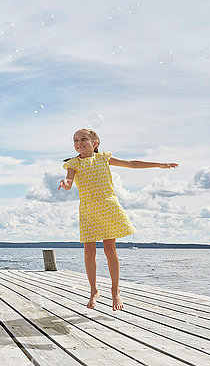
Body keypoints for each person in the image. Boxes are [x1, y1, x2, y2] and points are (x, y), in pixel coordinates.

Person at [58, 128, 178, 311]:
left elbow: (131, 163)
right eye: (75, 140)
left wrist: (159, 164)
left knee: (109, 248)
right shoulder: (73, 163)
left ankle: (115, 291)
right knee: (89, 251)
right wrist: (65, 184)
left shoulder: (103, 158)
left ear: (95, 142)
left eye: (83, 139)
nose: (78, 143)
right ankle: (93, 291)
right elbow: (69, 182)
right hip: (88, 209)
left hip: (108, 206)